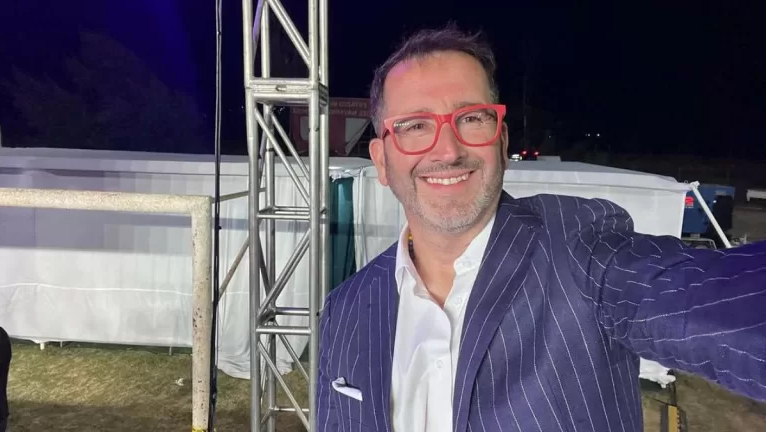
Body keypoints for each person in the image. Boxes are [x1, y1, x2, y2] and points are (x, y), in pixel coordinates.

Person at [316, 25, 766, 432]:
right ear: (381, 161)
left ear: (502, 143)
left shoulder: (580, 250)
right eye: (415, 125)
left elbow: (716, 306)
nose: (448, 150)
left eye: (472, 119)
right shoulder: (345, 310)